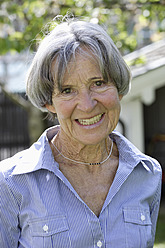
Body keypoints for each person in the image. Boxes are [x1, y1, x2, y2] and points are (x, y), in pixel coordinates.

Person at [0, 19, 162, 248]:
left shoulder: (147, 174)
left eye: (98, 83)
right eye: (67, 90)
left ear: (118, 88)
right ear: (49, 102)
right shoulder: (10, 183)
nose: (86, 105)